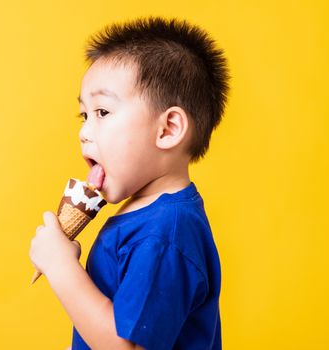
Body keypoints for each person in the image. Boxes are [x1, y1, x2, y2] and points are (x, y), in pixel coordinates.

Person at [29, 16, 230, 349]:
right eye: (84, 115)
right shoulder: (146, 214)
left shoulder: (165, 232)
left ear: (167, 129)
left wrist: (61, 265)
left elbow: (127, 345)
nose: (84, 132)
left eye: (103, 112)